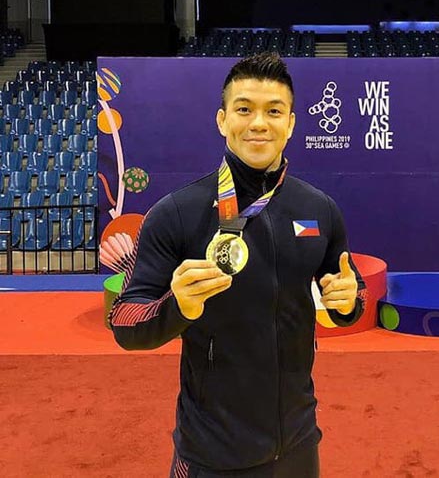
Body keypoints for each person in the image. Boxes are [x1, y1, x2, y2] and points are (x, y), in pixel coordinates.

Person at [110, 52, 365, 477]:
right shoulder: (176, 214)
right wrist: (178, 307)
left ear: (291, 124)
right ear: (222, 120)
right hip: (211, 453)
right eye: (244, 109)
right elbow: (125, 321)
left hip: (299, 444)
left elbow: (350, 292)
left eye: (274, 111)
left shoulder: (319, 209)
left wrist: (347, 301)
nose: (259, 123)